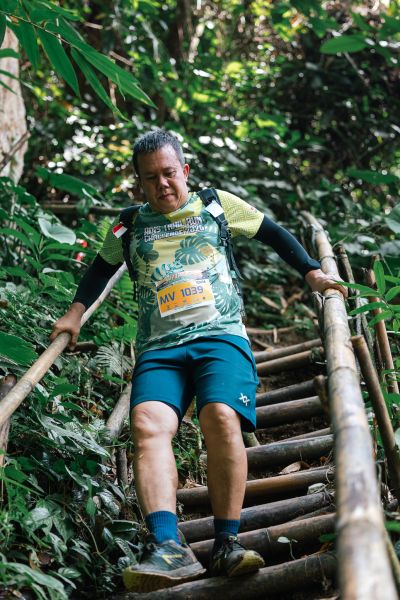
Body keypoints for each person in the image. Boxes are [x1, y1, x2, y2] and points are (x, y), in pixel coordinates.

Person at [50, 129, 347, 593]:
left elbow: (273, 233)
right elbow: (101, 268)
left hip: (220, 338)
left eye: (169, 173)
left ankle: (227, 542)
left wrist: (312, 271)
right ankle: (167, 546)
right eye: (151, 178)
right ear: (139, 183)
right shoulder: (129, 225)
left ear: (184, 171)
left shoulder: (216, 205)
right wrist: (74, 313)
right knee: (147, 424)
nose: (162, 184)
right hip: (159, 348)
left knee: (221, 416)